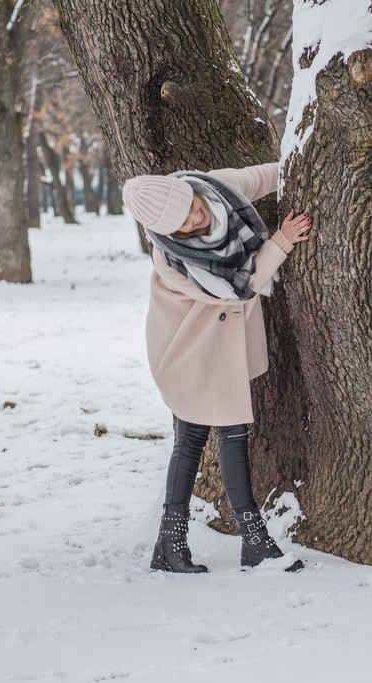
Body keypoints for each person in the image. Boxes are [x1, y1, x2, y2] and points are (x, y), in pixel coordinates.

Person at [122, 163, 311, 574]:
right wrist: (280, 242)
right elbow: (237, 290)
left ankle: (170, 546)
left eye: (191, 207)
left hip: (214, 347)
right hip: (187, 352)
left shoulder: (214, 187)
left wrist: (302, 160)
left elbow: (263, 176)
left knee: (198, 438)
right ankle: (253, 542)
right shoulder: (172, 258)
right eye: (184, 224)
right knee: (220, 436)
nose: (196, 218)